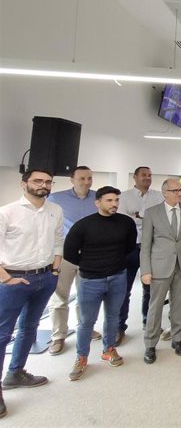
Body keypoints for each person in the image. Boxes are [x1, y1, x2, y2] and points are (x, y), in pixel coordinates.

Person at [0, 169, 63, 418]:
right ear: (23, 183)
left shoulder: (54, 210)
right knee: (3, 334)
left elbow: (58, 239)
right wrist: (6, 278)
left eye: (48, 182)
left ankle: (16, 372)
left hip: (45, 276)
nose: (43, 185)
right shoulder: (7, 212)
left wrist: (56, 269)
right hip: (14, 279)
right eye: (38, 180)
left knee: (30, 327)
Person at [64, 186, 137, 380]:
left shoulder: (126, 223)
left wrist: (115, 262)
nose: (114, 204)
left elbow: (130, 246)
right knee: (86, 321)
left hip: (117, 277)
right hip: (90, 280)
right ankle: (81, 357)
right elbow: (70, 252)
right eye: (109, 201)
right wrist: (89, 265)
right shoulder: (83, 225)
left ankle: (108, 349)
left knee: (112, 317)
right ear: (98, 203)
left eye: (116, 201)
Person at [140, 178, 181, 364]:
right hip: (159, 267)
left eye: (180, 190)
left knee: (179, 304)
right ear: (165, 193)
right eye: (174, 191)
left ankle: (177, 339)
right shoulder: (152, 213)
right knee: (155, 307)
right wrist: (145, 270)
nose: (179, 193)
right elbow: (146, 245)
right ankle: (150, 343)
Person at [46, 166, 100, 356]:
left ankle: (85, 327)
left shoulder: (97, 198)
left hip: (90, 255)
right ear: (72, 179)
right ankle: (58, 335)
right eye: (82, 178)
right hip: (65, 255)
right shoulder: (56, 199)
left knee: (86, 296)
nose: (86, 182)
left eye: (89, 178)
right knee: (60, 296)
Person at [117, 166, 164, 345]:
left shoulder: (158, 197)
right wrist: (145, 218)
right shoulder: (124, 197)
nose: (147, 178)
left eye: (150, 175)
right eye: (143, 175)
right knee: (124, 289)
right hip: (129, 248)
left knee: (150, 289)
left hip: (151, 247)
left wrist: (137, 215)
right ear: (135, 177)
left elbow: (160, 220)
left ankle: (148, 322)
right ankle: (119, 326)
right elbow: (122, 220)